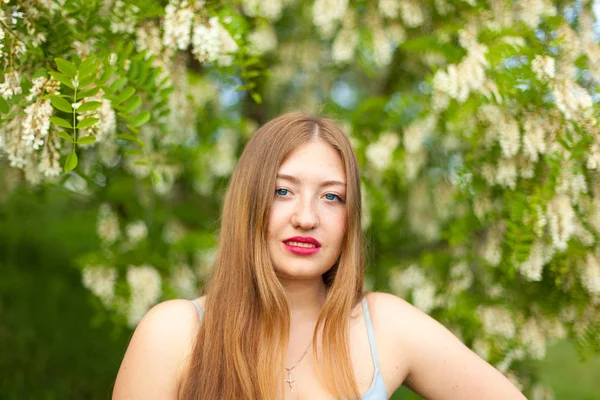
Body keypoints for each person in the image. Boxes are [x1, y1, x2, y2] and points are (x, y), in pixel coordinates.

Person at [112, 112, 526, 400]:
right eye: (283, 191)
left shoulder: (385, 327)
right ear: (248, 202)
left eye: (331, 196)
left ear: (350, 217)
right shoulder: (174, 333)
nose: (306, 217)